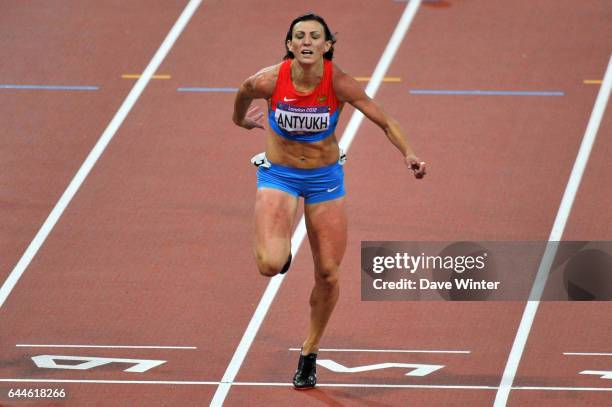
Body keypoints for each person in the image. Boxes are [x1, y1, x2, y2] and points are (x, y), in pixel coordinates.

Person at [232, 13, 426, 389]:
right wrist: (241, 121)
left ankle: (309, 351)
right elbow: (243, 90)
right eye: (299, 36)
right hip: (280, 174)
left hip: (324, 179)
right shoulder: (270, 80)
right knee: (270, 265)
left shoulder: (339, 83)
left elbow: (384, 120)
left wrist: (409, 153)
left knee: (329, 274)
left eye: (314, 36)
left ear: (326, 46)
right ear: (290, 45)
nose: (306, 41)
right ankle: (282, 252)